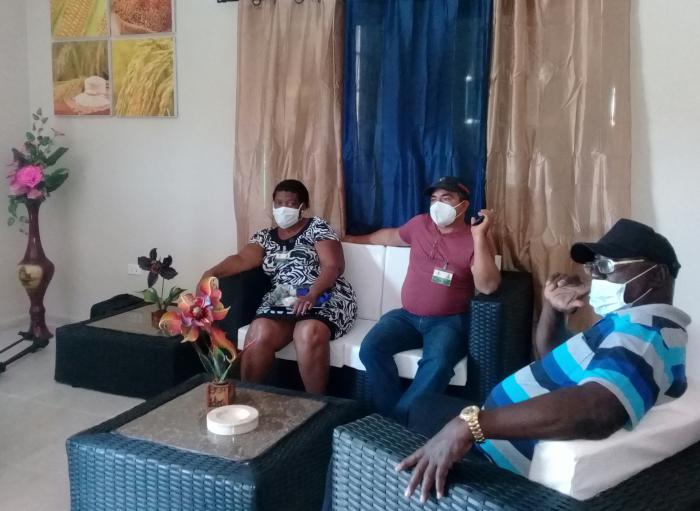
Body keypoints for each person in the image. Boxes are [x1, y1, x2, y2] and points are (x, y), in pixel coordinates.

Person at [396, 219, 690, 504]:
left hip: (497, 460)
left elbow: (598, 409)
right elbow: (551, 354)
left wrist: (473, 425)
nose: (595, 278)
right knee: (423, 406)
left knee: (416, 418)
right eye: (594, 268)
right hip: (499, 434)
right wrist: (553, 309)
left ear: (657, 276)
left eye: (607, 267)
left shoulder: (646, 333)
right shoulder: (625, 324)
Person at [345, 176, 501, 421]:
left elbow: (488, 286)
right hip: (406, 316)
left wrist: (480, 236)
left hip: (448, 322)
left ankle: (398, 420)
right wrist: (354, 240)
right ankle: (392, 417)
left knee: (438, 363)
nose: (438, 204)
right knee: (371, 349)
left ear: (463, 205)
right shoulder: (420, 224)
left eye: (446, 199)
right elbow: (390, 236)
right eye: (434, 199)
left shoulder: (473, 238)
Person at [202, 179, 357, 394]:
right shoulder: (265, 237)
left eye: (290, 203)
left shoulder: (318, 227)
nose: (283, 208)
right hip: (284, 297)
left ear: (303, 206)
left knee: (307, 331)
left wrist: (312, 294)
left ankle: (317, 403)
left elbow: (333, 266)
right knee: (259, 332)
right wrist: (210, 273)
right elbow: (241, 259)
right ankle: (250, 398)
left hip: (325, 292)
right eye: (278, 203)